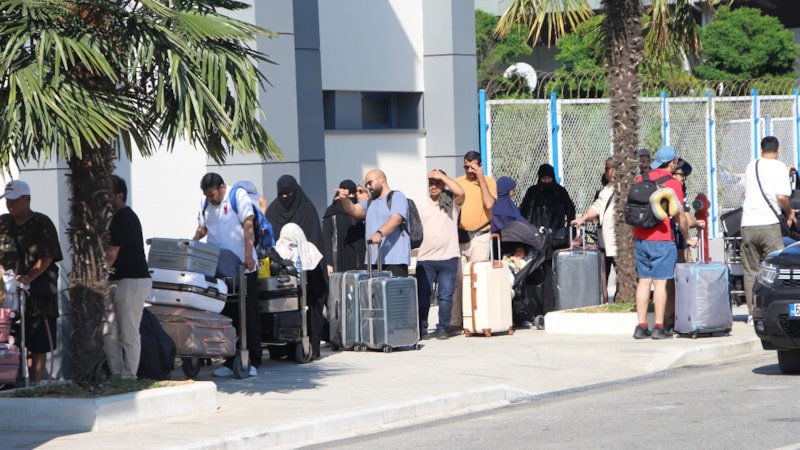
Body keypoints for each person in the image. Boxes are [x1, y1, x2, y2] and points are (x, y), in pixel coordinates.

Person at [193, 173, 260, 377]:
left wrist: (248, 255)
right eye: (207, 195)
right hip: (219, 268)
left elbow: (248, 225)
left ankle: (252, 359)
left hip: (243, 267)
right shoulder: (205, 202)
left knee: (247, 315)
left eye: (213, 195)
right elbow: (203, 228)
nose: (210, 199)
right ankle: (229, 360)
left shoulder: (237, 196)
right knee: (226, 315)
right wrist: (192, 244)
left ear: (222, 187)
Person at [0, 180, 63, 382]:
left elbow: (47, 256)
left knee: (37, 344)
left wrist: (27, 279)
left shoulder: (42, 223)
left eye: (14, 200)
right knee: (8, 338)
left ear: (27, 199)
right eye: (7, 200)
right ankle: (11, 380)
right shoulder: (2, 223)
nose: (10, 204)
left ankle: (34, 384)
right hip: (7, 295)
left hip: (36, 295)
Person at [266, 174, 328, 359]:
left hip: (307, 273)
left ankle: (309, 346)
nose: (285, 199)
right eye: (282, 195)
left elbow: (314, 241)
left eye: (289, 195)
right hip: (281, 273)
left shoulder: (307, 210)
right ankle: (281, 347)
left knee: (309, 305)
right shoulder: (273, 210)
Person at [631, 146, 688, 340]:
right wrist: (687, 237)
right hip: (662, 239)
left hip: (640, 237)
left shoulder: (641, 179)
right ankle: (659, 327)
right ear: (672, 163)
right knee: (660, 283)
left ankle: (641, 326)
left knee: (644, 281)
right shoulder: (672, 184)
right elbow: (679, 215)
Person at [741, 136, 794, 324]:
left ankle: (751, 313)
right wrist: (789, 213)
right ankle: (773, 310)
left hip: (748, 224)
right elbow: (782, 197)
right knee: (776, 269)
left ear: (761, 149)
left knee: (751, 270)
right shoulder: (779, 167)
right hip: (769, 224)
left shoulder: (751, 165)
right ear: (778, 150)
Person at [103, 175, 152, 379]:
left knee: (128, 332)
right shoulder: (115, 218)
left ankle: (129, 376)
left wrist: (99, 274)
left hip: (132, 280)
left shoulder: (124, 217)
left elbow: (112, 252)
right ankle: (117, 376)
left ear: (119, 195)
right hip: (117, 280)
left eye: (108, 194)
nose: (105, 199)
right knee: (110, 332)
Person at [416, 170, 465, 340]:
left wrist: (441, 176)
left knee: (445, 295)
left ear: (444, 185)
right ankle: (421, 328)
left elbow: (461, 193)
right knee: (423, 295)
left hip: (448, 257)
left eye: (437, 183)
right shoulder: (421, 204)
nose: (434, 187)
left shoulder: (450, 202)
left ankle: (443, 328)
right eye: (431, 183)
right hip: (425, 259)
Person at [452, 151, 497, 334]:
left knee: (477, 279)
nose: (469, 171)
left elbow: (489, 204)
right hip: (460, 236)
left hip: (480, 236)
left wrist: (481, 179)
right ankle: (456, 321)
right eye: (466, 167)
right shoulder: (458, 182)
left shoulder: (489, 182)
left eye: (473, 167)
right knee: (458, 280)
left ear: (480, 166)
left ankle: (479, 318)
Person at [336, 169, 410, 277]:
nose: (368, 187)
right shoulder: (370, 202)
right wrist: (345, 199)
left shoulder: (397, 197)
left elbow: (396, 219)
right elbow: (353, 210)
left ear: (381, 179)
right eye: (367, 184)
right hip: (374, 260)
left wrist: (380, 233)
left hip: (394, 260)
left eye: (370, 183)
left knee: (393, 288)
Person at [572, 158, 617, 302]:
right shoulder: (607, 189)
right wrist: (583, 218)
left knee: (621, 270)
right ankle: (605, 299)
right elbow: (597, 206)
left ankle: (623, 298)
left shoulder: (626, 187)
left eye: (608, 169)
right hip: (606, 238)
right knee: (604, 269)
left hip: (620, 239)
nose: (606, 172)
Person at [519, 163, 576, 252]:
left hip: (557, 233)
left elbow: (570, 209)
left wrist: (569, 229)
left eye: (549, 178)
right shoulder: (533, 192)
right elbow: (524, 210)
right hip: (537, 232)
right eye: (543, 178)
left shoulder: (560, 191)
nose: (546, 181)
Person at [322, 180, 366, 274]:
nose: (351, 197)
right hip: (339, 257)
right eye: (348, 195)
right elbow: (327, 238)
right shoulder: (332, 212)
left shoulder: (359, 211)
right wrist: (329, 262)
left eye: (353, 194)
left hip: (359, 258)